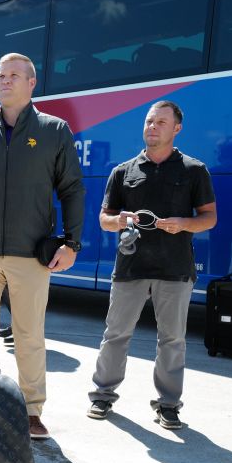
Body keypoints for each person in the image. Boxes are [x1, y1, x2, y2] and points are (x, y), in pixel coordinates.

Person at [0, 52, 85, 440]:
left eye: (14, 75)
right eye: (0, 75)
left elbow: (72, 189)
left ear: (32, 83)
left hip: (32, 254)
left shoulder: (54, 130)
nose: (5, 80)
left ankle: (30, 411)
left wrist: (72, 242)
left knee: (29, 334)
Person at [87, 100, 217, 429]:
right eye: (148, 121)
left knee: (172, 339)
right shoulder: (123, 171)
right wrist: (121, 220)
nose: (152, 127)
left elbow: (209, 218)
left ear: (176, 128)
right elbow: (103, 219)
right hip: (130, 266)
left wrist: (184, 224)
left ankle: (168, 405)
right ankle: (102, 395)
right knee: (116, 335)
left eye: (160, 122)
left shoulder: (194, 170)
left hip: (175, 269)